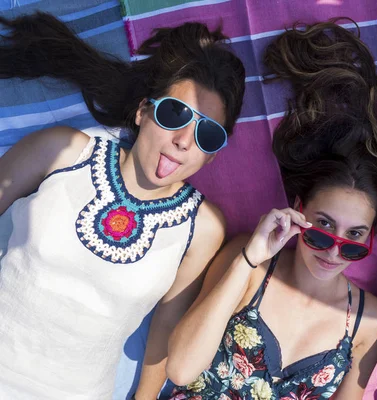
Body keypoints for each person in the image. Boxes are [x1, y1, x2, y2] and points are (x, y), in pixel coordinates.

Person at [164, 20, 377, 400]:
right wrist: (247, 260)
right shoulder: (249, 265)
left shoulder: (370, 319)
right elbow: (181, 369)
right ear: (298, 211)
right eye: (322, 227)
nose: (334, 251)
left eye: (354, 239)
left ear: (370, 237)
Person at [0, 12, 245, 399]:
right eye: (175, 114)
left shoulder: (202, 228)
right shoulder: (62, 151)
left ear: (212, 156)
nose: (184, 140)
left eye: (207, 134)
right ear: (143, 111)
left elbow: (163, 331)